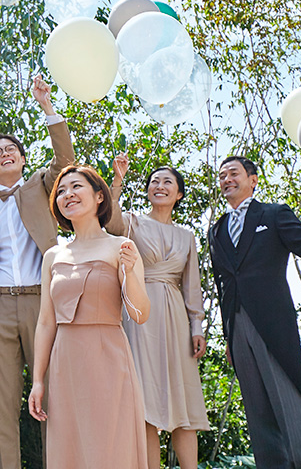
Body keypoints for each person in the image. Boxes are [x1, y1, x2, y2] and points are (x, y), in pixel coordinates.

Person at [0, 75, 124, 469]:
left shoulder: (42, 184)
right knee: (2, 404)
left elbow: (64, 160)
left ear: (21, 159)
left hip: (45, 301)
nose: (5, 154)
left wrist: (47, 108)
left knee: (53, 397)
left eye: (11, 150)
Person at [207, 155, 301, 469]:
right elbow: (223, 284)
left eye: (233, 173)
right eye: (222, 176)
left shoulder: (273, 214)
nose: (226, 180)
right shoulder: (216, 229)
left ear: (252, 179)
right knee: (256, 408)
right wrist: (228, 334)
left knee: (287, 400)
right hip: (237, 324)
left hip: (273, 321)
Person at [27, 165, 150, 469]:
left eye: (76, 187)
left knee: (110, 448)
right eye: (61, 191)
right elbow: (46, 322)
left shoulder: (121, 246)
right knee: (69, 448)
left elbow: (141, 313)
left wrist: (130, 270)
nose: (68, 194)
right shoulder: (53, 256)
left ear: (99, 196)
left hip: (108, 357)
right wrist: (38, 381)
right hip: (64, 362)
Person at [110, 156, 209, 469]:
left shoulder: (187, 236)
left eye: (167, 182)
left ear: (179, 193)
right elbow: (108, 222)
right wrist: (117, 180)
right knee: (144, 401)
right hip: (139, 313)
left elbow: (192, 286)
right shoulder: (132, 221)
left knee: (185, 401)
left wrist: (197, 327)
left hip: (176, 317)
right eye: (154, 181)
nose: (160, 186)